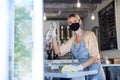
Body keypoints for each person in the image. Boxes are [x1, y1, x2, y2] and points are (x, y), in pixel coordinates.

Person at [51, 13, 106, 80]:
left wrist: (78, 67)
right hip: (83, 73)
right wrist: (53, 35)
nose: (73, 23)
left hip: (95, 73)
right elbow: (58, 51)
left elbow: (94, 57)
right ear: (69, 25)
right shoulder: (72, 40)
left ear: (80, 22)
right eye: (70, 22)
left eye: (75, 21)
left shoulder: (89, 35)